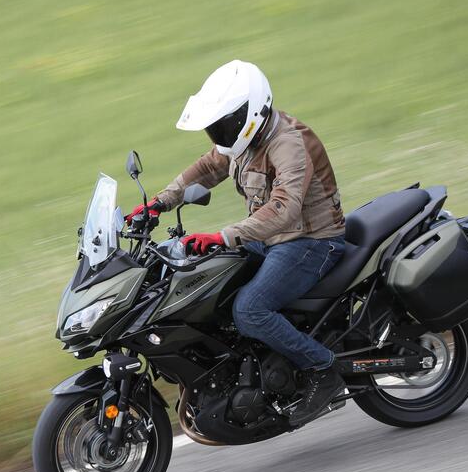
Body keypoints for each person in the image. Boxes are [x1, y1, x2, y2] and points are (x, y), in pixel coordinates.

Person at [126, 60, 347, 427]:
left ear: (250, 114)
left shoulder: (288, 143)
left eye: (223, 126)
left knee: (249, 310)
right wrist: (159, 203)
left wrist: (223, 236)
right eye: (215, 128)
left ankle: (323, 370)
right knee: (202, 279)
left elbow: (284, 209)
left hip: (310, 241)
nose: (218, 136)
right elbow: (206, 168)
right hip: (269, 238)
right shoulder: (243, 140)